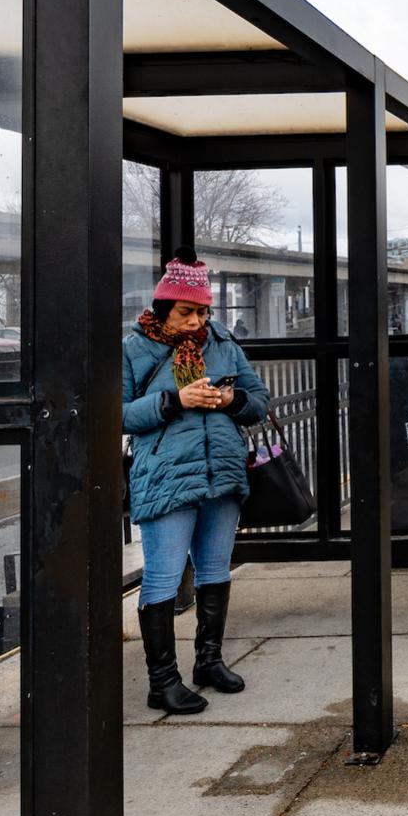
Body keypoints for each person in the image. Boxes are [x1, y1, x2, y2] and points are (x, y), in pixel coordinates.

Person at [123, 251, 271, 714]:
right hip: (166, 476)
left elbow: (259, 400)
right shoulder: (133, 348)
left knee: (215, 570)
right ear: (163, 307)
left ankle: (209, 661)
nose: (196, 321)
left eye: (203, 311)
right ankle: (162, 681)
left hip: (222, 473)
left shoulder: (223, 343)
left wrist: (231, 398)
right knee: (164, 575)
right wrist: (174, 400)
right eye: (186, 312)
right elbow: (118, 413)